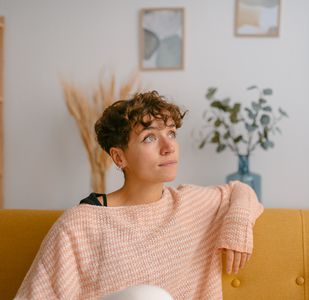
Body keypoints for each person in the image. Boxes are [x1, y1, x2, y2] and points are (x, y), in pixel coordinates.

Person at [15, 91, 264, 300]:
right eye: (150, 138)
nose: (168, 147)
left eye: (171, 133)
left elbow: (240, 190)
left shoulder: (190, 203)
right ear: (119, 157)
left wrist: (238, 225)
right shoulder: (79, 225)